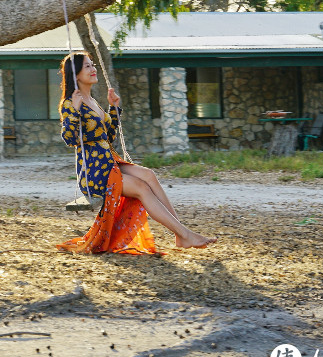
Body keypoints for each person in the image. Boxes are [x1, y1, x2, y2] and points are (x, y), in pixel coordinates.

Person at [56, 52, 217, 254]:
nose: (93, 69)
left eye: (92, 64)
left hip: (109, 162)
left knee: (149, 175)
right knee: (141, 187)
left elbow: (108, 136)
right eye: (87, 66)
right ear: (76, 74)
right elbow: (70, 139)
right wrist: (76, 110)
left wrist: (113, 108)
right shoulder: (71, 103)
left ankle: (181, 234)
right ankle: (185, 235)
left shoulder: (93, 101)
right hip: (93, 172)